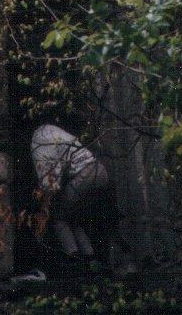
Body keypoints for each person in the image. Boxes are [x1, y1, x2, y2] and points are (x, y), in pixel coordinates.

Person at [29, 106, 137, 275]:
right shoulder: (53, 131)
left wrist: (44, 204)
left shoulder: (39, 139)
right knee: (73, 217)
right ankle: (91, 258)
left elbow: (50, 181)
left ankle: (75, 259)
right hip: (99, 171)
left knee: (58, 217)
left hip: (85, 175)